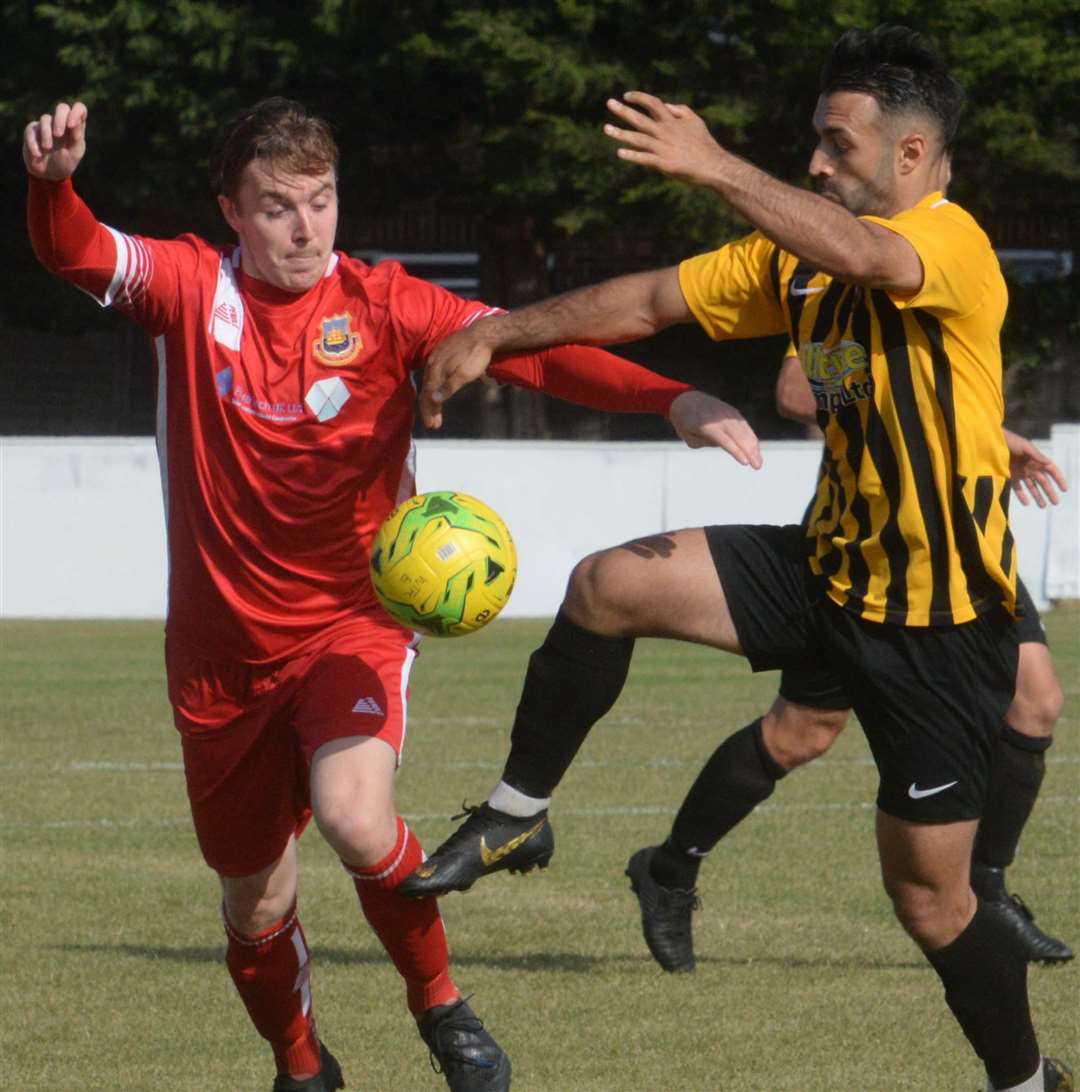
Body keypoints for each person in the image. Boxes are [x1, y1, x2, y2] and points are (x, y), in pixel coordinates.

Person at [23, 97, 756, 1092]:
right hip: (218, 660)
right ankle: (302, 1067)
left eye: (321, 202)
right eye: (277, 206)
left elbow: (523, 347)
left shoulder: (384, 303)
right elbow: (75, 252)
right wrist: (52, 183)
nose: (305, 227)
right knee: (253, 904)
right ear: (230, 211)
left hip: (349, 625)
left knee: (357, 816)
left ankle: (442, 1009)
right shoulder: (191, 290)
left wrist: (668, 396)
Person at [400, 25, 1073, 1092]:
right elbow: (657, 300)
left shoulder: (951, 241)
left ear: (908, 156)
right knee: (606, 584)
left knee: (933, 904)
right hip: (827, 570)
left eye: (835, 143)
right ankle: (517, 819)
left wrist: (713, 162)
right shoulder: (807, 259)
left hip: (937, 632)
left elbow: (873, 261)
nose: (815, 159)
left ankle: (1026, 1080)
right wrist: (501, 331)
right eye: (813, 141)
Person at [626, 352, 1072, 973]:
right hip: (869, 550)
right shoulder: (853, 289)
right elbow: (796, 390)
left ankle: (987, 890)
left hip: (967, 543)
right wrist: (968, 432)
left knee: (1036, 700)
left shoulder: (966, 285)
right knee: (800, 732)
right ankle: (670, 869)